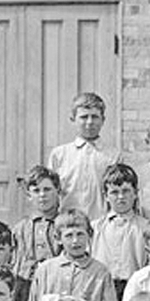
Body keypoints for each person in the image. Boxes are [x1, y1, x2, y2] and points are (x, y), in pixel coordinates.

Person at [24, 209, 118, 301]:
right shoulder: (45, 270)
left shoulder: (100, 272)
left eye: (80, 234)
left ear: (90, 235)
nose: (75, 241)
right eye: (69, 236)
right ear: (58, 238)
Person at [48, 92, 122, 221]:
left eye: (95, 117)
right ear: (73, 119)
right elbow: (51, 193)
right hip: (68, 226)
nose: (89, 122)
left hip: (101, 224)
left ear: (103, 120)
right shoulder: (59, 155)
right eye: (84, 117)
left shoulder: (113, 156)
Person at [91, 163, 147, 301]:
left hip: (134, 288)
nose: (121, 197)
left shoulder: (146, 227)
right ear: (106, 196)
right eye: (114, 192)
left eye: (126, 191)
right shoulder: (95, 228)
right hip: (102, 289)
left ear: (135, 193)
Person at [12, 166, 62, 301]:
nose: (42, 195)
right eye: (36, 190)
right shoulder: (20, 229)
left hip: (56, 288)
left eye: (47, 189)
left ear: (57, 191)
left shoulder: (64, 225)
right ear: (29, 195)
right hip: (26, 289)